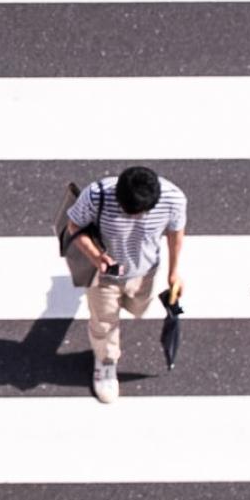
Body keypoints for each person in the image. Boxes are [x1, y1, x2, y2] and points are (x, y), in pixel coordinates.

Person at [63, 165, 187, 403]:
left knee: (138, 308)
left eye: (137, 214)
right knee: (105, 321)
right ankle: (106, 362)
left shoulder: (173, 199)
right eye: (125, 211)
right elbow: (74, 225)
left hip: (145, 271)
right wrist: (96, 257)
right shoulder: (97, 194)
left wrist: (174, 273)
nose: (131, 218)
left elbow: (175, 234)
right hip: (104, 276)